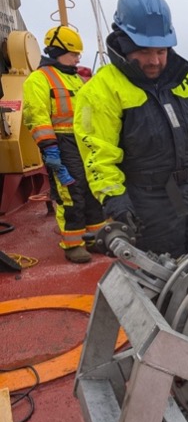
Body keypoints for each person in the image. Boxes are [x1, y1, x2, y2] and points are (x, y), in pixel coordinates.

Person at [74, 0, 188, 258]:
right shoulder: (101, 91)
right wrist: (117, 204)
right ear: (123, 43)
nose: (155, 61)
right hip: (147, 201)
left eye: (162, 51)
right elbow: (98, 155)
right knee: (162, 276)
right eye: (144, 51)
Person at [23, 25, 104, 263]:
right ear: (57, 51)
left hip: (84, 143)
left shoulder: (78, 79)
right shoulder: (39, 80)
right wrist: (50, 149)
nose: (78, 58)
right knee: (71, 192)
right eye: (74, 53)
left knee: (91, 189)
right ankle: (72, 244)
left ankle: (94, 236)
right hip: (60, 144)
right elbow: (36, 116)